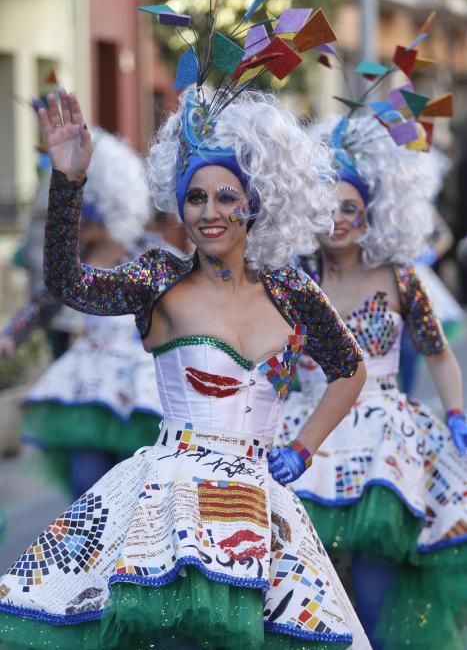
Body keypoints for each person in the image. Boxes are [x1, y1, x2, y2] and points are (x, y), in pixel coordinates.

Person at [0, 71, 374, 648]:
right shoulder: (158, 278)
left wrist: (302, 451)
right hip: (168, 503)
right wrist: (69, 183)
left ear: (256, 202)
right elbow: (69, 284)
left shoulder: (293, 291)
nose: (209, 212)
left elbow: (349, 370)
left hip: (259, 509)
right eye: (195, 196)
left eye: (227, 196)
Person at [275, 113, 467, 650]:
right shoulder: (295, 278)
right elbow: (270, 361)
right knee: (313, 593)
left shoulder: (400, 275)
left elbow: (437, 353)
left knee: (382, 590)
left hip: (387, 443)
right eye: (328, 208)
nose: (338, 220)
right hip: (309, 431)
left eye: (350, 208)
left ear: (371, 213)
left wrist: (456, 415)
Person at [0, 129, 163, 498]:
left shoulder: (150, 256)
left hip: (139, 392)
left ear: (110, 212)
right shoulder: (78, 265)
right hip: (88, 385)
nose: (78, 228)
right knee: (87, 486)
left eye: (85, 219)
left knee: (138, 488)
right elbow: (43, 301)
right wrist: (11, 336)